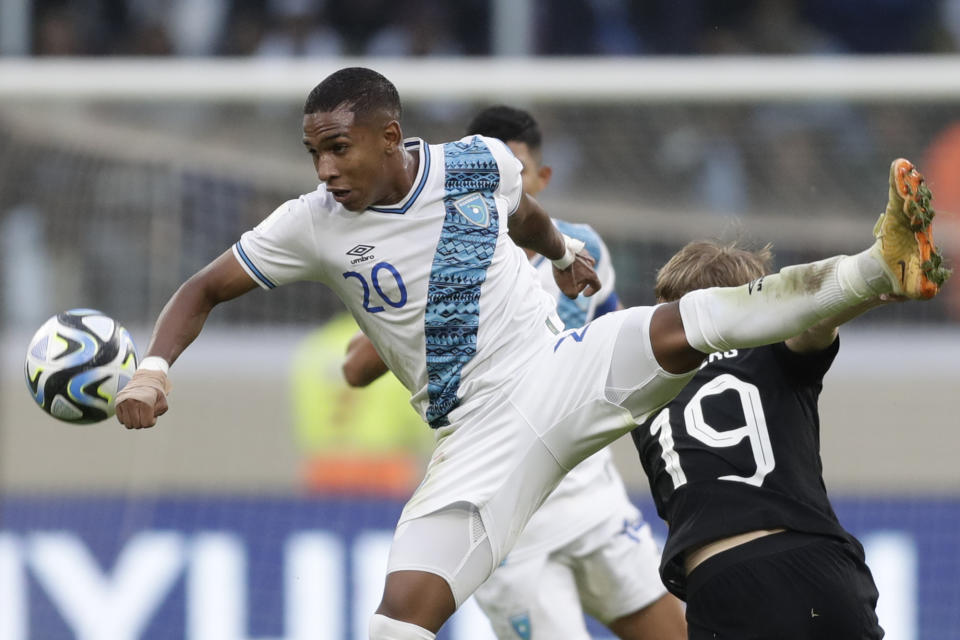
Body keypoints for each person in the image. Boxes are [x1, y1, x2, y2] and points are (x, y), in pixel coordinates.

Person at [114, 67, 948, 639]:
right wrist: (154, 369)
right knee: (401, 613)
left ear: (390, 136)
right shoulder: (308, 226)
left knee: (689, 322)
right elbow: (202, 289)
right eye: (314, 154)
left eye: (339, 149)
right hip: (480, 438)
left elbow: (523, 216)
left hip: (558, 371)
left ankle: (880, 263)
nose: (326, 169)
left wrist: (558, 256)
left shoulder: (477, 165)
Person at [342, 105, 686, 639]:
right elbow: (354, 369)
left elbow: (615, 337)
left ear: (538, 180)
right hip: (508, 521)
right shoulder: (440, 255)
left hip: (593, 501)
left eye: (516, 172)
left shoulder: (582, 248)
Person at [629, 238, 901, 638]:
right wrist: (873, 279)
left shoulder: (641, 389)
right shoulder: (769, 349)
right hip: (813, 566)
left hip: (718, 585)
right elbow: (814, 317)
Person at [290, 312, 428, 496]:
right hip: (385, 466)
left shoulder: (320, 342)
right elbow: (416, 405)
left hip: (326, 466)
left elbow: (305, 405)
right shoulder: (394, 337)